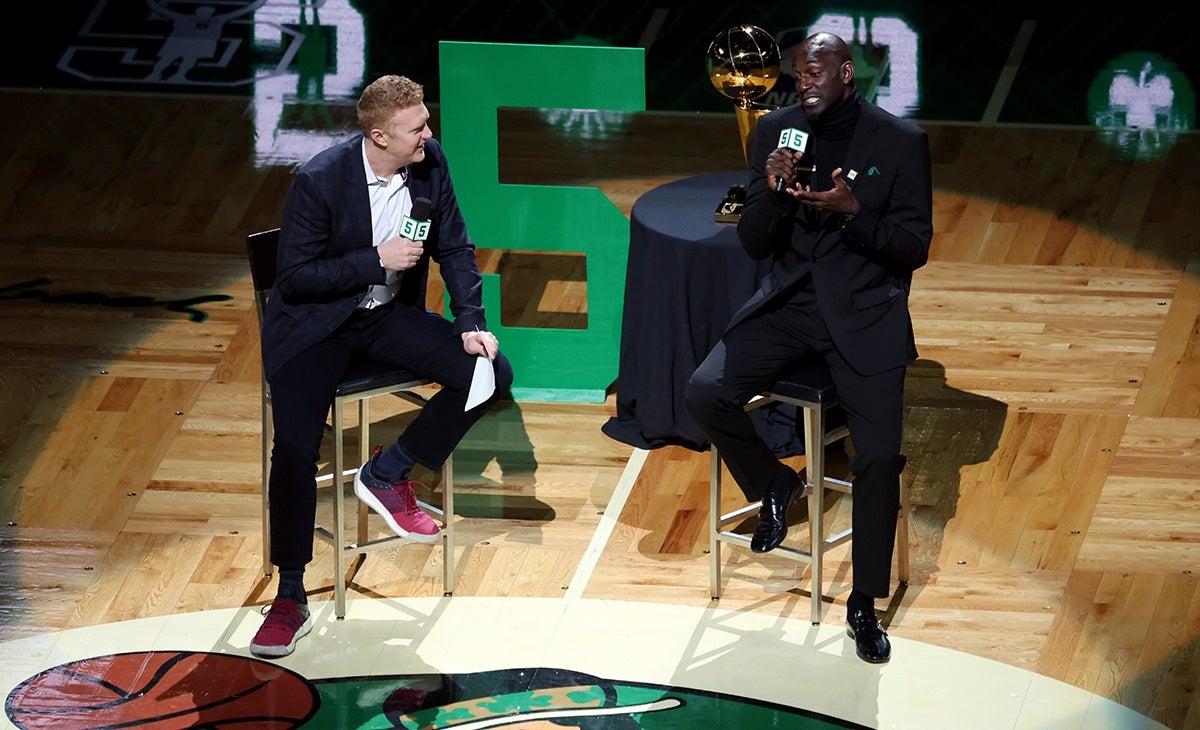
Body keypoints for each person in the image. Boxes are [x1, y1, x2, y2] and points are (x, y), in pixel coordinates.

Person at [685, 32, 932, 664]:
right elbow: (756, 244)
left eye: (815, 71)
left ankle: (863, 603)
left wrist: (852, 211)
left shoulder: (900, 142)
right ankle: (772, 483)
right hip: (790, 308)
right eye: (798, 73)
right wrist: (769, 189)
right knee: (706, 392)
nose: (804, 82)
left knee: (878, 458)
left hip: (865, 318)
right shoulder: (776, 131)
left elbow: (913, 247)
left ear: (846, 73)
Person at [250, 74, 514, 658]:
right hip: (315, 328)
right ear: (378, 135)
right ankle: (291, 594)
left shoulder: (427, 162)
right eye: (416, 128)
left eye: (426, 123)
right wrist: (374, 260)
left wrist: (471, 321)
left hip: (382, 316)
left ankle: (389, 471)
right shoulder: (321, 180)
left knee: (487, 373)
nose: (428, 135)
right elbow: (292, 278)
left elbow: (456, 245)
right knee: (294, 449)